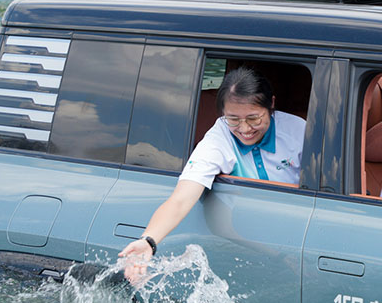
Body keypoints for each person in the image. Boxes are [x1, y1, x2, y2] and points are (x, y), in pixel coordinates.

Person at [119, 66, 305, 282]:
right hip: (247, 239)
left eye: (254, 119)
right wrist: (149, 241)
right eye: (233, 119)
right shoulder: (218, 140)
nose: (244, 129)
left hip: (295, 230)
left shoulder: (298, 130)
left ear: (271, 105)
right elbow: (180, 199)